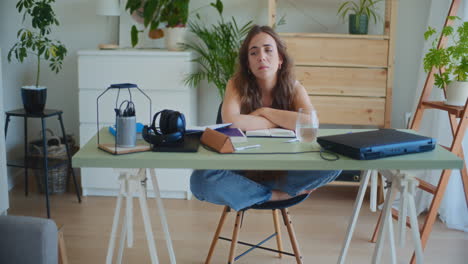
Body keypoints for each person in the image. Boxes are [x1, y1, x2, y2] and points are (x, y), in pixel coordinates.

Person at [190, 25, 341, 211]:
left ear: (280, 60)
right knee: (200, 180)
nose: (261, 57)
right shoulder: (235, 85)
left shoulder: (294, 88)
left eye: (268, 50)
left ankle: (249, 194)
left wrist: (264, 111)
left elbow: (310, 124)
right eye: (253, 53)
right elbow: (232, 122)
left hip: (283, 172)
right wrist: (285, 122)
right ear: (248, 63)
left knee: (336, 163)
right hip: (241, 173)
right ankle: (272, 196)